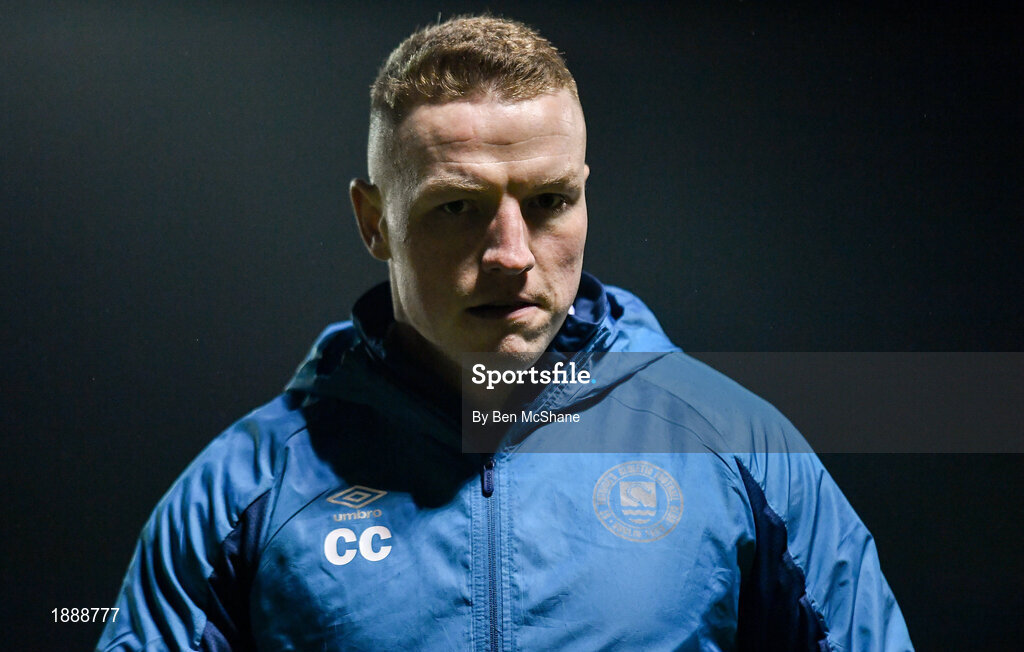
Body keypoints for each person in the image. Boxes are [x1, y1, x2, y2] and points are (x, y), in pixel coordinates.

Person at [97, 15, 913, 651]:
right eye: (459, 208)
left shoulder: (737, 449)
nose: (513, 256)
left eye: (551, 201)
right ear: (374, 220)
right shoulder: (240, 493)